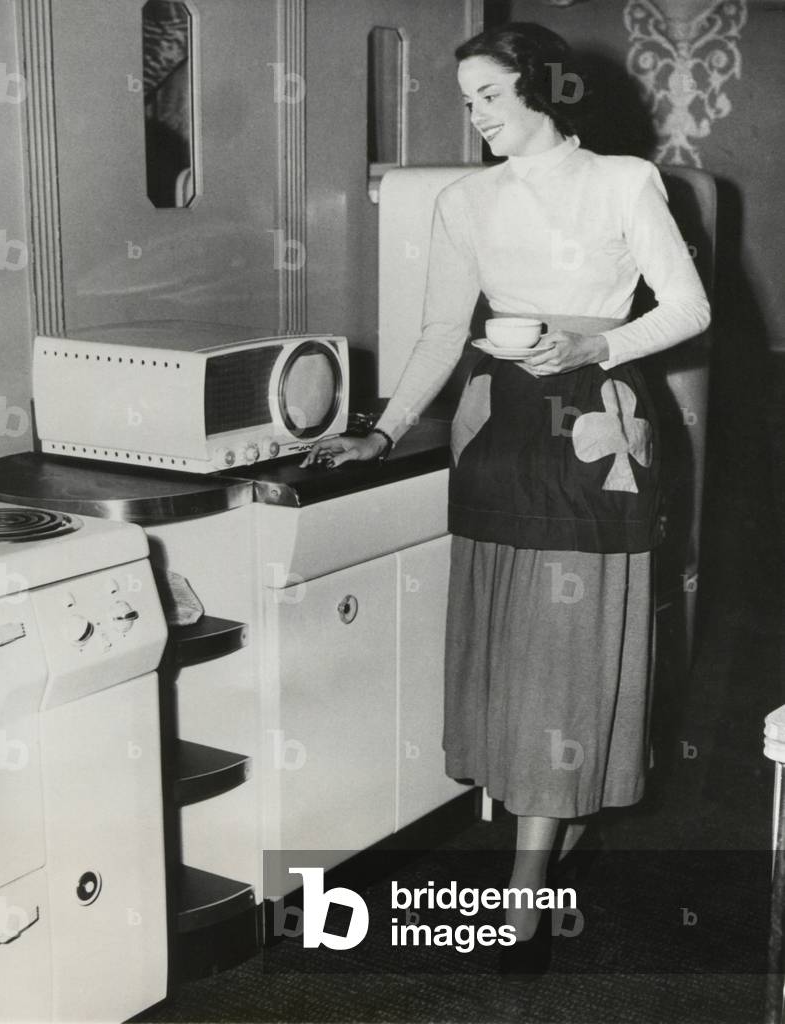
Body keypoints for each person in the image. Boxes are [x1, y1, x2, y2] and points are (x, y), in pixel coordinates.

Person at [303, 22, 710, 973]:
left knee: (562, 651)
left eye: (489, 95)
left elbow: (688, 307)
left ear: (545, 94)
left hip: (598, 425)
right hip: (496, 432)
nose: (475, 115)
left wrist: (590, 346)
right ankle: (546, 840)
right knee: (509, 641)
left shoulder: (623, 182)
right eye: (468, 99)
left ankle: (522, 898)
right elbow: (443, 328)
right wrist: (384, 429)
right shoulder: (464, 199)